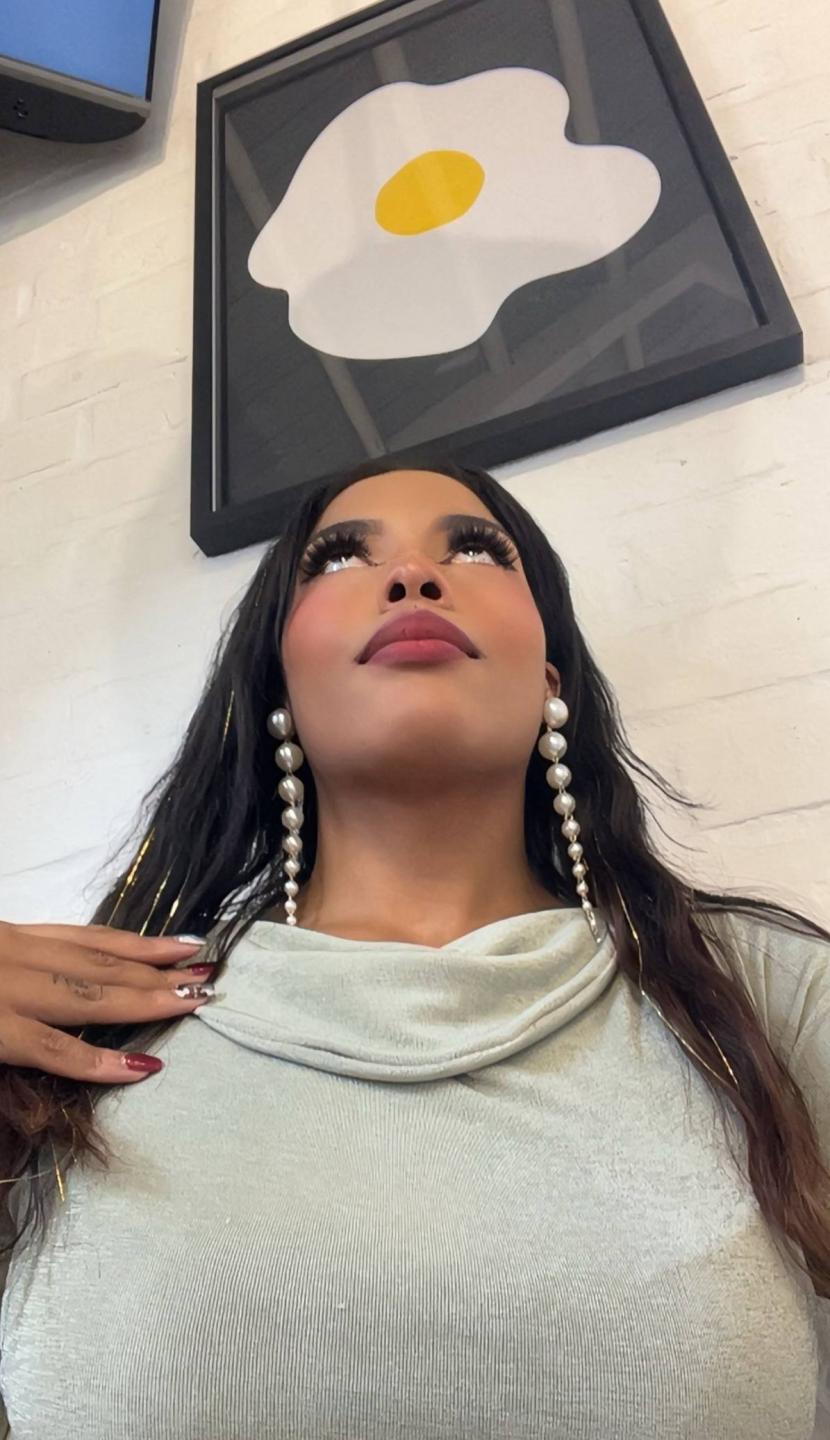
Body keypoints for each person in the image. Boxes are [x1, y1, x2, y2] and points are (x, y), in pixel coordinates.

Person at [0, 458, 828, 1440]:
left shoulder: (768, 996)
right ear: (277, 687)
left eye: (474, 550)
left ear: (550, 678)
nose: (411, 577)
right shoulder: (77, 1032)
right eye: (338, 558)